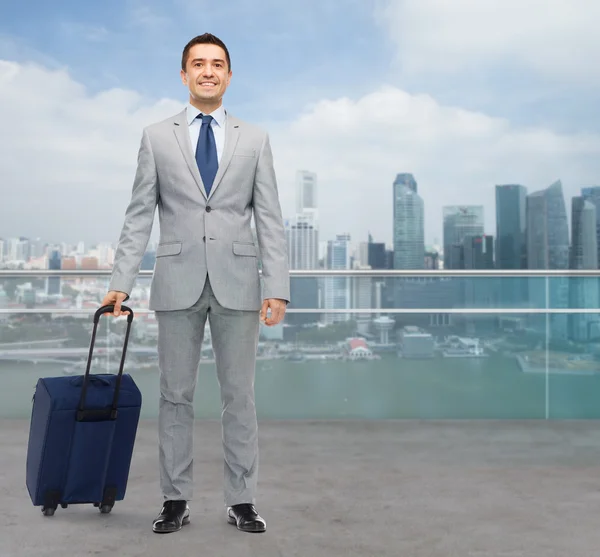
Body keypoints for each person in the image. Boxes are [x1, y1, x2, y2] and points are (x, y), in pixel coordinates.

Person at [101, 33, 290, 534]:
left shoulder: (255, 138)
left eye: (218, 64)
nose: (209, 71)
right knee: (175, 395)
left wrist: (278, 285)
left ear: (229, 74)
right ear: (183, 75)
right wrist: (121, 280)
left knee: (239, 397)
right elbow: (139, 212)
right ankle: (175, 499)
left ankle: (242, 499)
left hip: (239, 282)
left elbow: (269, 217)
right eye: (199, 64)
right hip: (178, 279)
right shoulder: (156, 136)